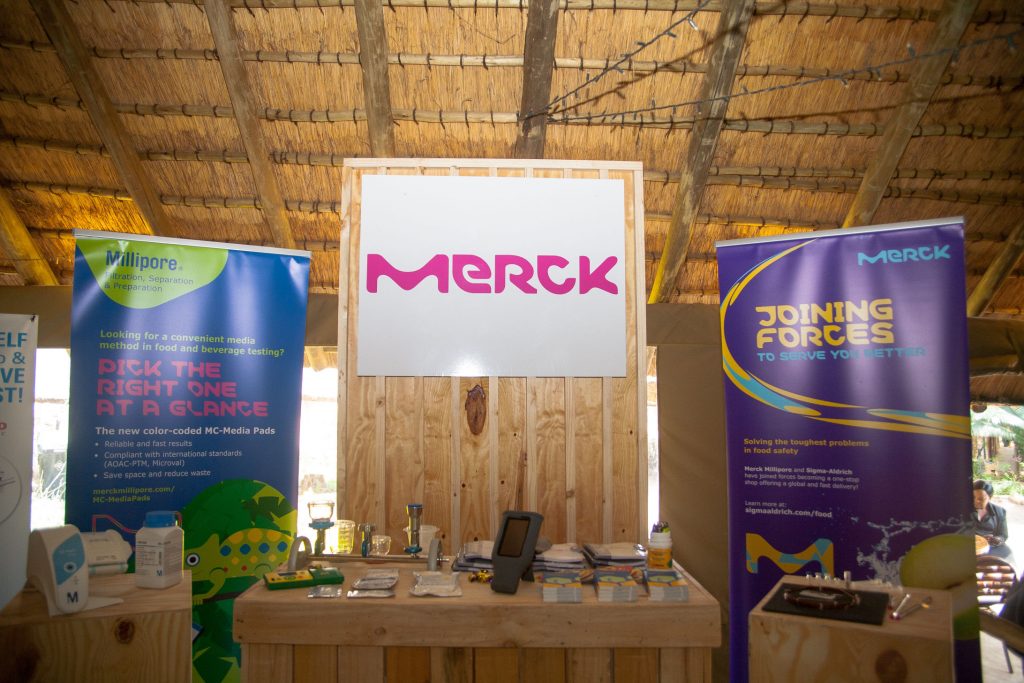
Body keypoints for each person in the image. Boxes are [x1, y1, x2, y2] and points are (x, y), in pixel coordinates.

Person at [974, 479, 1013, 562]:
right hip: (969, 548)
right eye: (973, 497)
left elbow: (1003, 535)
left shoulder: (999, 511)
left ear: (990, 498)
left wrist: (996, 539)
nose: (976, 501)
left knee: (1007, 564)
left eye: (981, 499)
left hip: (992, 548)